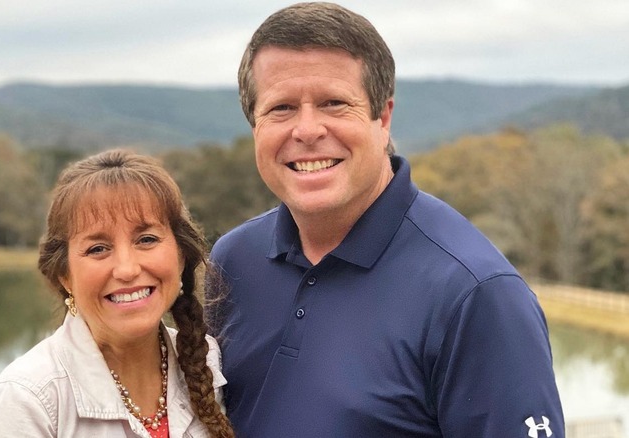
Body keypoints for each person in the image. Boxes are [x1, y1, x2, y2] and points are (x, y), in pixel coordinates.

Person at [206, 2, 564, 437]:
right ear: (255, 127)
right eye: (280, 108)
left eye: (334, 103)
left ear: (384, 117)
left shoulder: (477, 295)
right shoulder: (233, 262)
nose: (307, 130)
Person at [0, 149, 234, 437]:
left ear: (181, 255)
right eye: (98, 249)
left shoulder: (208, 361)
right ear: (65, 276)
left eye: (146, 240)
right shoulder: (28, 398)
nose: (126, 269)